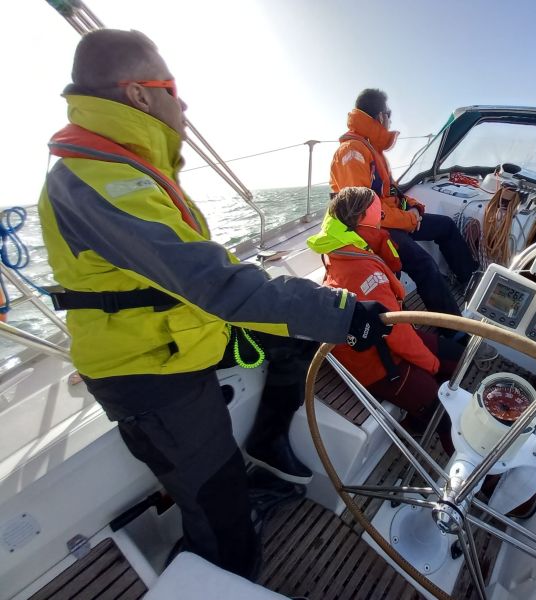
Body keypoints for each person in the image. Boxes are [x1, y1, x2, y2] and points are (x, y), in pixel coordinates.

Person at [38, 29, 390, 580]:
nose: (183, 106)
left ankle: (267, 441)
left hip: (183, 331)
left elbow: (201, 277)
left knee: (294, 341)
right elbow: (213, 282)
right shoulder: (92, 181)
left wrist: (316, 315)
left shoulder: (126, 168)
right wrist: (340, 313)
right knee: (224, 521)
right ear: (139, 95)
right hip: (147, 369)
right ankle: (220, 560)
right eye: (172, 90)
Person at [307, 187, 462, 441]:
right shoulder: (363, 270)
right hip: (378, 364)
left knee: (457, 358)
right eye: (379, 214)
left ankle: (418, 415)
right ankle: (430, 422)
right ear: (363, 220)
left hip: (383, 337)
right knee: (446, 416)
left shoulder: (341, 248)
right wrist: (431, 365)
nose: (382, 218)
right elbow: (396, 332)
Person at [330, 89, 478, 318]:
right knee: (424, 264)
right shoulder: (352, 153)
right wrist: (409, 220)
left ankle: (470, 281)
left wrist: (414, 208)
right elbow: (363, 211)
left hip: (390, 219)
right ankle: (454, 330)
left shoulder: (372, 150)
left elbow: (392, 192)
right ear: (381, 116)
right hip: (371, 230)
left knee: (446, 226)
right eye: (389, 114)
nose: (390, 120)